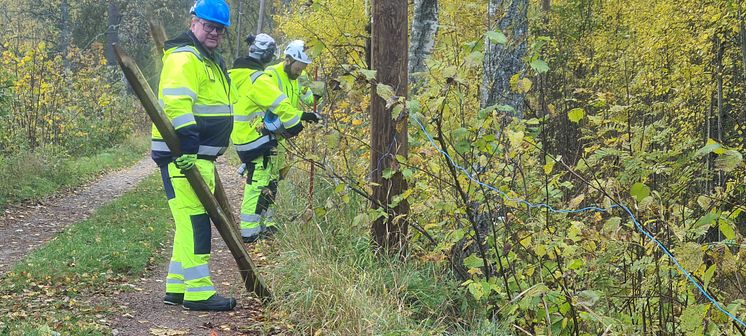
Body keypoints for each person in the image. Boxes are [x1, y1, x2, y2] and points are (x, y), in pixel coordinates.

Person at [150, 0, 237, 311]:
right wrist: (186, 147)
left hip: (199, 157)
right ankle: (198, 292)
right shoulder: (185, 57)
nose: (214, 32)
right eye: (208, 25)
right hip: (184, 156)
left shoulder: (207, 59)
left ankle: (176, 287)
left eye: (220, 29)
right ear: (193, 22)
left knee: (187, 221)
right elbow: (175, 103)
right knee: (196, 223)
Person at [230, 34, 321, 243]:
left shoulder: (291, 79)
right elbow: (281, 106)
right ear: (287, 59)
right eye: (300, 65)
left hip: (269, 137)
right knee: (258, 181)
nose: (302, 70)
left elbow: (302, 96)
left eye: (305, 66)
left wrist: (318, 94)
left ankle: (266, 224)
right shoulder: (267, 77)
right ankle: (249, 230)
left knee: (271, 180)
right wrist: (300, 119)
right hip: (258, 135)